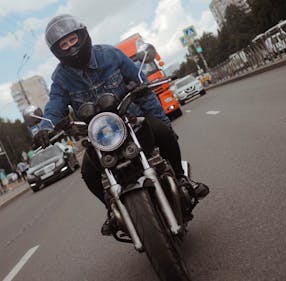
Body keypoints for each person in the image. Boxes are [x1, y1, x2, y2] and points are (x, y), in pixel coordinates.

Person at [34, 14, 209, 235]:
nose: (71, 46)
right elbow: (55, 105)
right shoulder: (61, 78)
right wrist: (45, 127)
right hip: (101, 139)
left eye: (73, 39)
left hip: (133, 123)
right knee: (88, 171)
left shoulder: (110, 55)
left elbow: (141, 86)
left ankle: (183, 180)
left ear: (82, 35)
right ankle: (111, 209)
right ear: (57, 51)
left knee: (163, 133)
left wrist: (162, 119)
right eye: (64, 44)